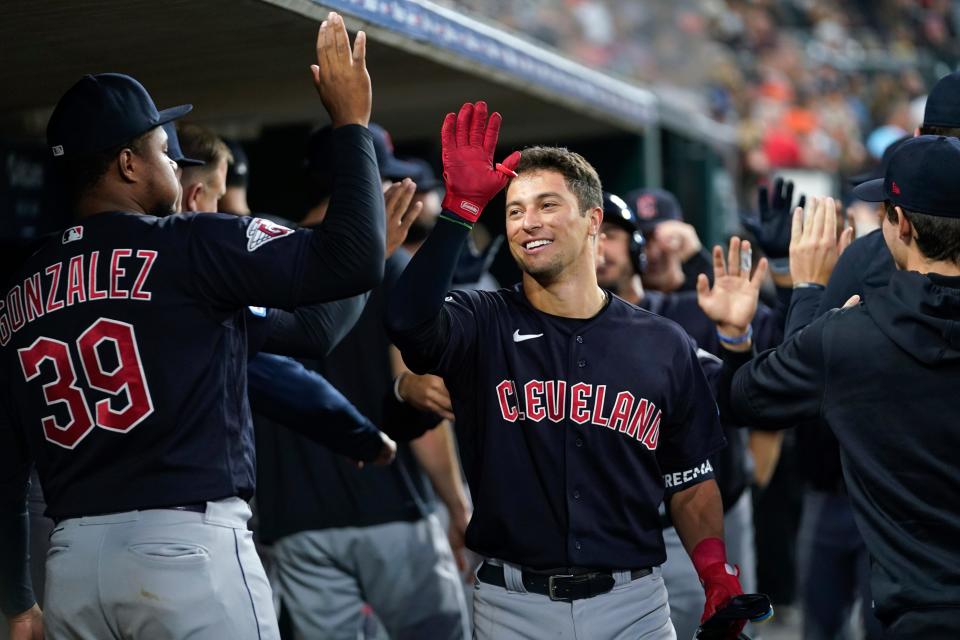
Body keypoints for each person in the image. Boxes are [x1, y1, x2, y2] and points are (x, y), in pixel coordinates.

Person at [0, 13, 384, 639]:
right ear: (127, 163)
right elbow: (351, 261)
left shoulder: (18, 287)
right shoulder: (186, 245)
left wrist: (18, 600)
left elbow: (5, 469)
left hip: (71, 566)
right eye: (162, 149)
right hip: (184, 549)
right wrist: (352, 125)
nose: (177, 165)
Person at [387, 102, 748, 638]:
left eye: (547, 205)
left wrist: (716, 573)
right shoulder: (480, 320)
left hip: (635, 604)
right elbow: (407, 321)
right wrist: (461, 208)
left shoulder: (662, 342)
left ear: (593, 221)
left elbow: (691, 479)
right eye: (513, 210)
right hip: (512, 606)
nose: (527, 222)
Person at [703, 136, 960, 638]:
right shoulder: (849, 334)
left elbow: (744, 399)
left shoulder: (850, 335)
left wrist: (805, 292)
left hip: (918, 619)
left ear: (901, 222)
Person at [252, 125, 472, 640]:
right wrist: (457, 505)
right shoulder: (390, 264)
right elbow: (421, 395)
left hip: (295, 520)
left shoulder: (262, 256)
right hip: (389, 509)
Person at [597, 191, 784, 640]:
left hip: (702, 514)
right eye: (594, 234)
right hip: (618, 531)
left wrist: (711, 266)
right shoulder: (568, 334)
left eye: (613, 236)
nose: (600, 248)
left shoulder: (687, 312)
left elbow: (778, 363)